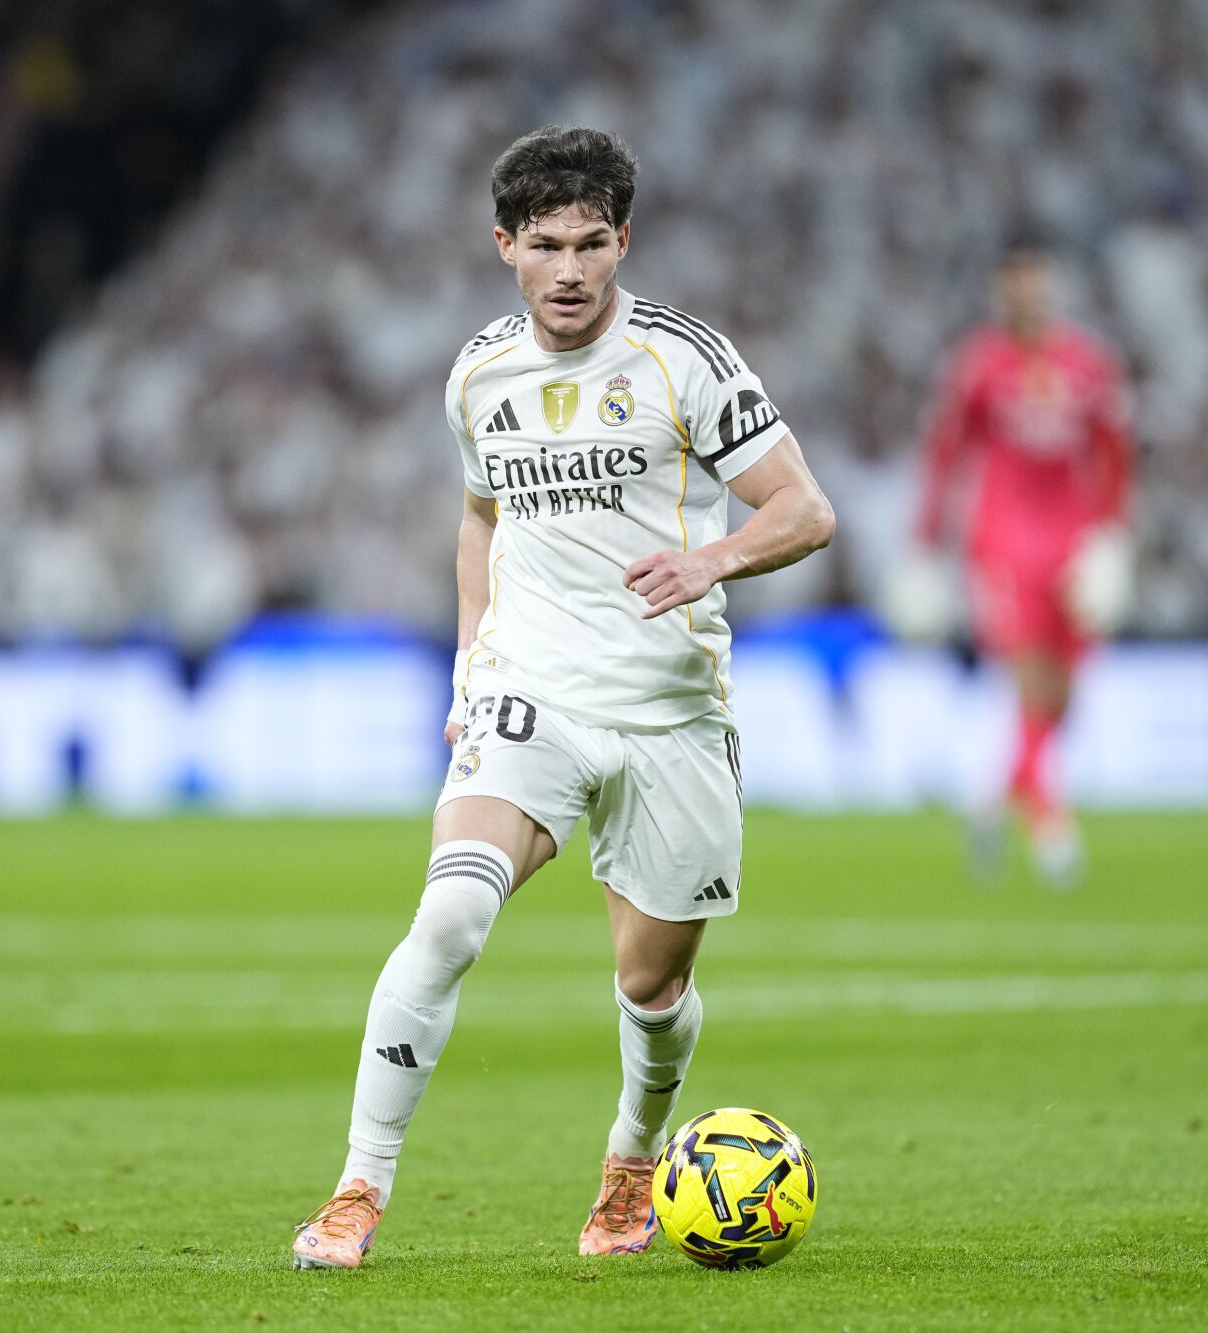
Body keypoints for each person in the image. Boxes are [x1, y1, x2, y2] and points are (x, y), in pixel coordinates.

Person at [291, 126, 834, 1268]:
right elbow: (479, 517)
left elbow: (803, 510)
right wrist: (468, 662)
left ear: (624, 240)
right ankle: (355, 1189)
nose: (572, 269)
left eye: (593, 243)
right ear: (505, 246)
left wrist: (713, 560)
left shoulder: (685, 361)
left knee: (653, 984)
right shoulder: (478, 374)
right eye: (546, 245)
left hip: (671, 711)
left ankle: (632, 1161)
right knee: (447, 918)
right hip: (529, 692)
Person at [913, 241, 1133, 886]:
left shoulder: (1089, 365)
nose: (1025, 298)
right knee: (1031, 679)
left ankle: (993, 798)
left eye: (1035, 285)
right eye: (1014, 286)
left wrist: (1113, 537)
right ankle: (1048, 820)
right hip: (1004, 540)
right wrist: (927, 546)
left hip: (1073, 537)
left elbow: (1116, 454)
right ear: (1000, 292)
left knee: (1063, 696)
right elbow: (945, 455)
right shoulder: (979, 366)